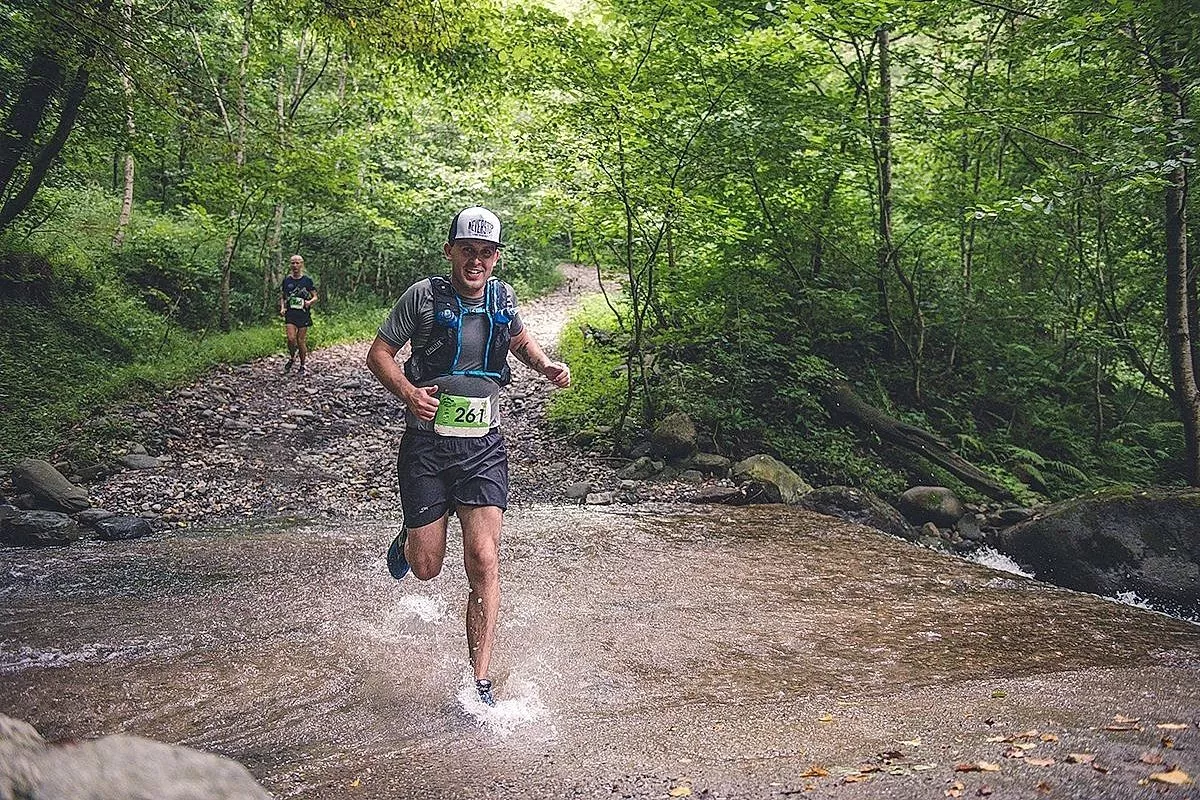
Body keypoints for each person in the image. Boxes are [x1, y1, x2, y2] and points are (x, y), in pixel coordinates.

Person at [365, 206, 570, 707]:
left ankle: (480, 682)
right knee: (427, 567)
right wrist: (408, 392)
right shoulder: (423, 297)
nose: (476, 261)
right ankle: (412, 538)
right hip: (427, 447)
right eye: (467, 251)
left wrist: (545, 366)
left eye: (486, 253)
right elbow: (379, 354)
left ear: (495, 257)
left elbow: (518, 339)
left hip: (483, 447)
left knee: (483, 558)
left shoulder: (502, 297)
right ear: (450, 251)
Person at [279, 254, 318, 375]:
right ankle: (292, 357)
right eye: (293, 263)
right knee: (291, 339)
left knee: (300, 341)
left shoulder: (307, 280)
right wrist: (282, 307)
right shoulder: (287, 280)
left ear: (302, 264)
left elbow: (315, 296)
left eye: (297, 263)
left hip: (303, 314)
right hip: (291, 313)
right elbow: (283, 296)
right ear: (290, 265)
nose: (295, 265)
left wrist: (309, 302)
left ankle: (302, 365)